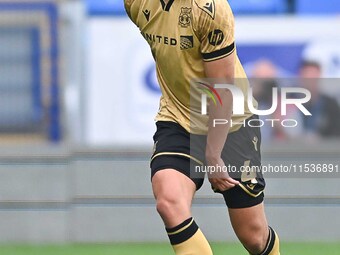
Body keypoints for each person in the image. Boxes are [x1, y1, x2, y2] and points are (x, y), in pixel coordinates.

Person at [124, 0, 280, 254]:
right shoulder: (135, 3)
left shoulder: (212, 9)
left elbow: (223, 90)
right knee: (169, 202)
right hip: (178, 117)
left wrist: (213, 155)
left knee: (254, 237)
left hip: (232, 123)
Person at [299, 60, 340, 139]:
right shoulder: (287, 103)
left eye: (314, 77)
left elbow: (336, 133)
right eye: (308, 77)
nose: (311, 81)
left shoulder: (331, 104)